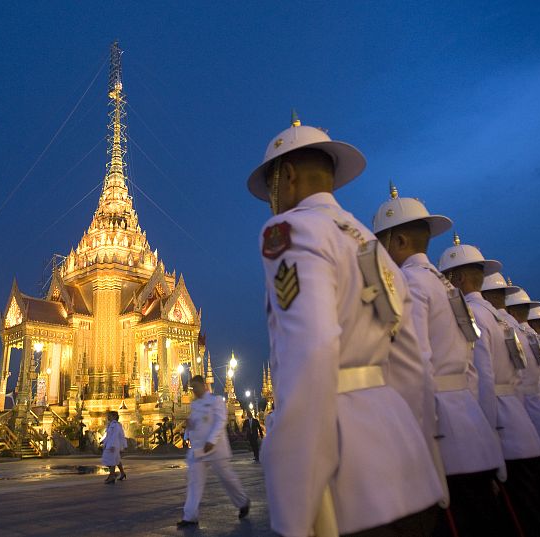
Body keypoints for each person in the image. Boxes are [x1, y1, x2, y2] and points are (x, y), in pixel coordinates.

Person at [248, 115, 443, 537]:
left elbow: (311, 352)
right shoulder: (373, 247)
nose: (270, 201)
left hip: (347, 475)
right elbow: (414, 365)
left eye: (271, 187)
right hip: (405, 466)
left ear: (289, 176)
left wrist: (294, 505)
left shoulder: (291, 231)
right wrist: (424, 457)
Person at [371, 186, 505, 537]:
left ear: (398, 241)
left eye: (381, 245)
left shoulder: (410, 284)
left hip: (441, 435)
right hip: (469, 427)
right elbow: (476, 370)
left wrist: (412, 442)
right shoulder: (448, 290)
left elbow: (414, 367)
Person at [438, 242, 540, 536]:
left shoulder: (473, 315)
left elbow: (482, 378)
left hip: (501, 429)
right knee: (534, 513)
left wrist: (487, 435)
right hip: (522, 422)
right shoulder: (506, 321)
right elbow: (531, 377)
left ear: (458, 279)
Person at [177, 375, 249, 528]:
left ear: (204, 385)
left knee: (227, 478)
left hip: (216, 448)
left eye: (196, 386)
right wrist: (187, 432)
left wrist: (212, 440)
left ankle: (243, 502)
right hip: (199, 450)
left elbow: (220, 421)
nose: (194, 390)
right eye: (192, 387)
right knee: (194, 482)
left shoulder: (215, 401)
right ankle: (190, 516)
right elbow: (193, 424)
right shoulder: (195, 405)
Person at [100, 410, 127, 484]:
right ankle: (122, 473)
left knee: (110, 460)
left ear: (114, 417)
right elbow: (109, 435)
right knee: (116, 459)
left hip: (113, 445)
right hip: (111, 444)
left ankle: (112, 476)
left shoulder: (115, 425)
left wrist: (112, 445)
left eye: (110, 416)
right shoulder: (111, 424)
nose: (108, 417)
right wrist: (103, 441)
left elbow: (115, 436)